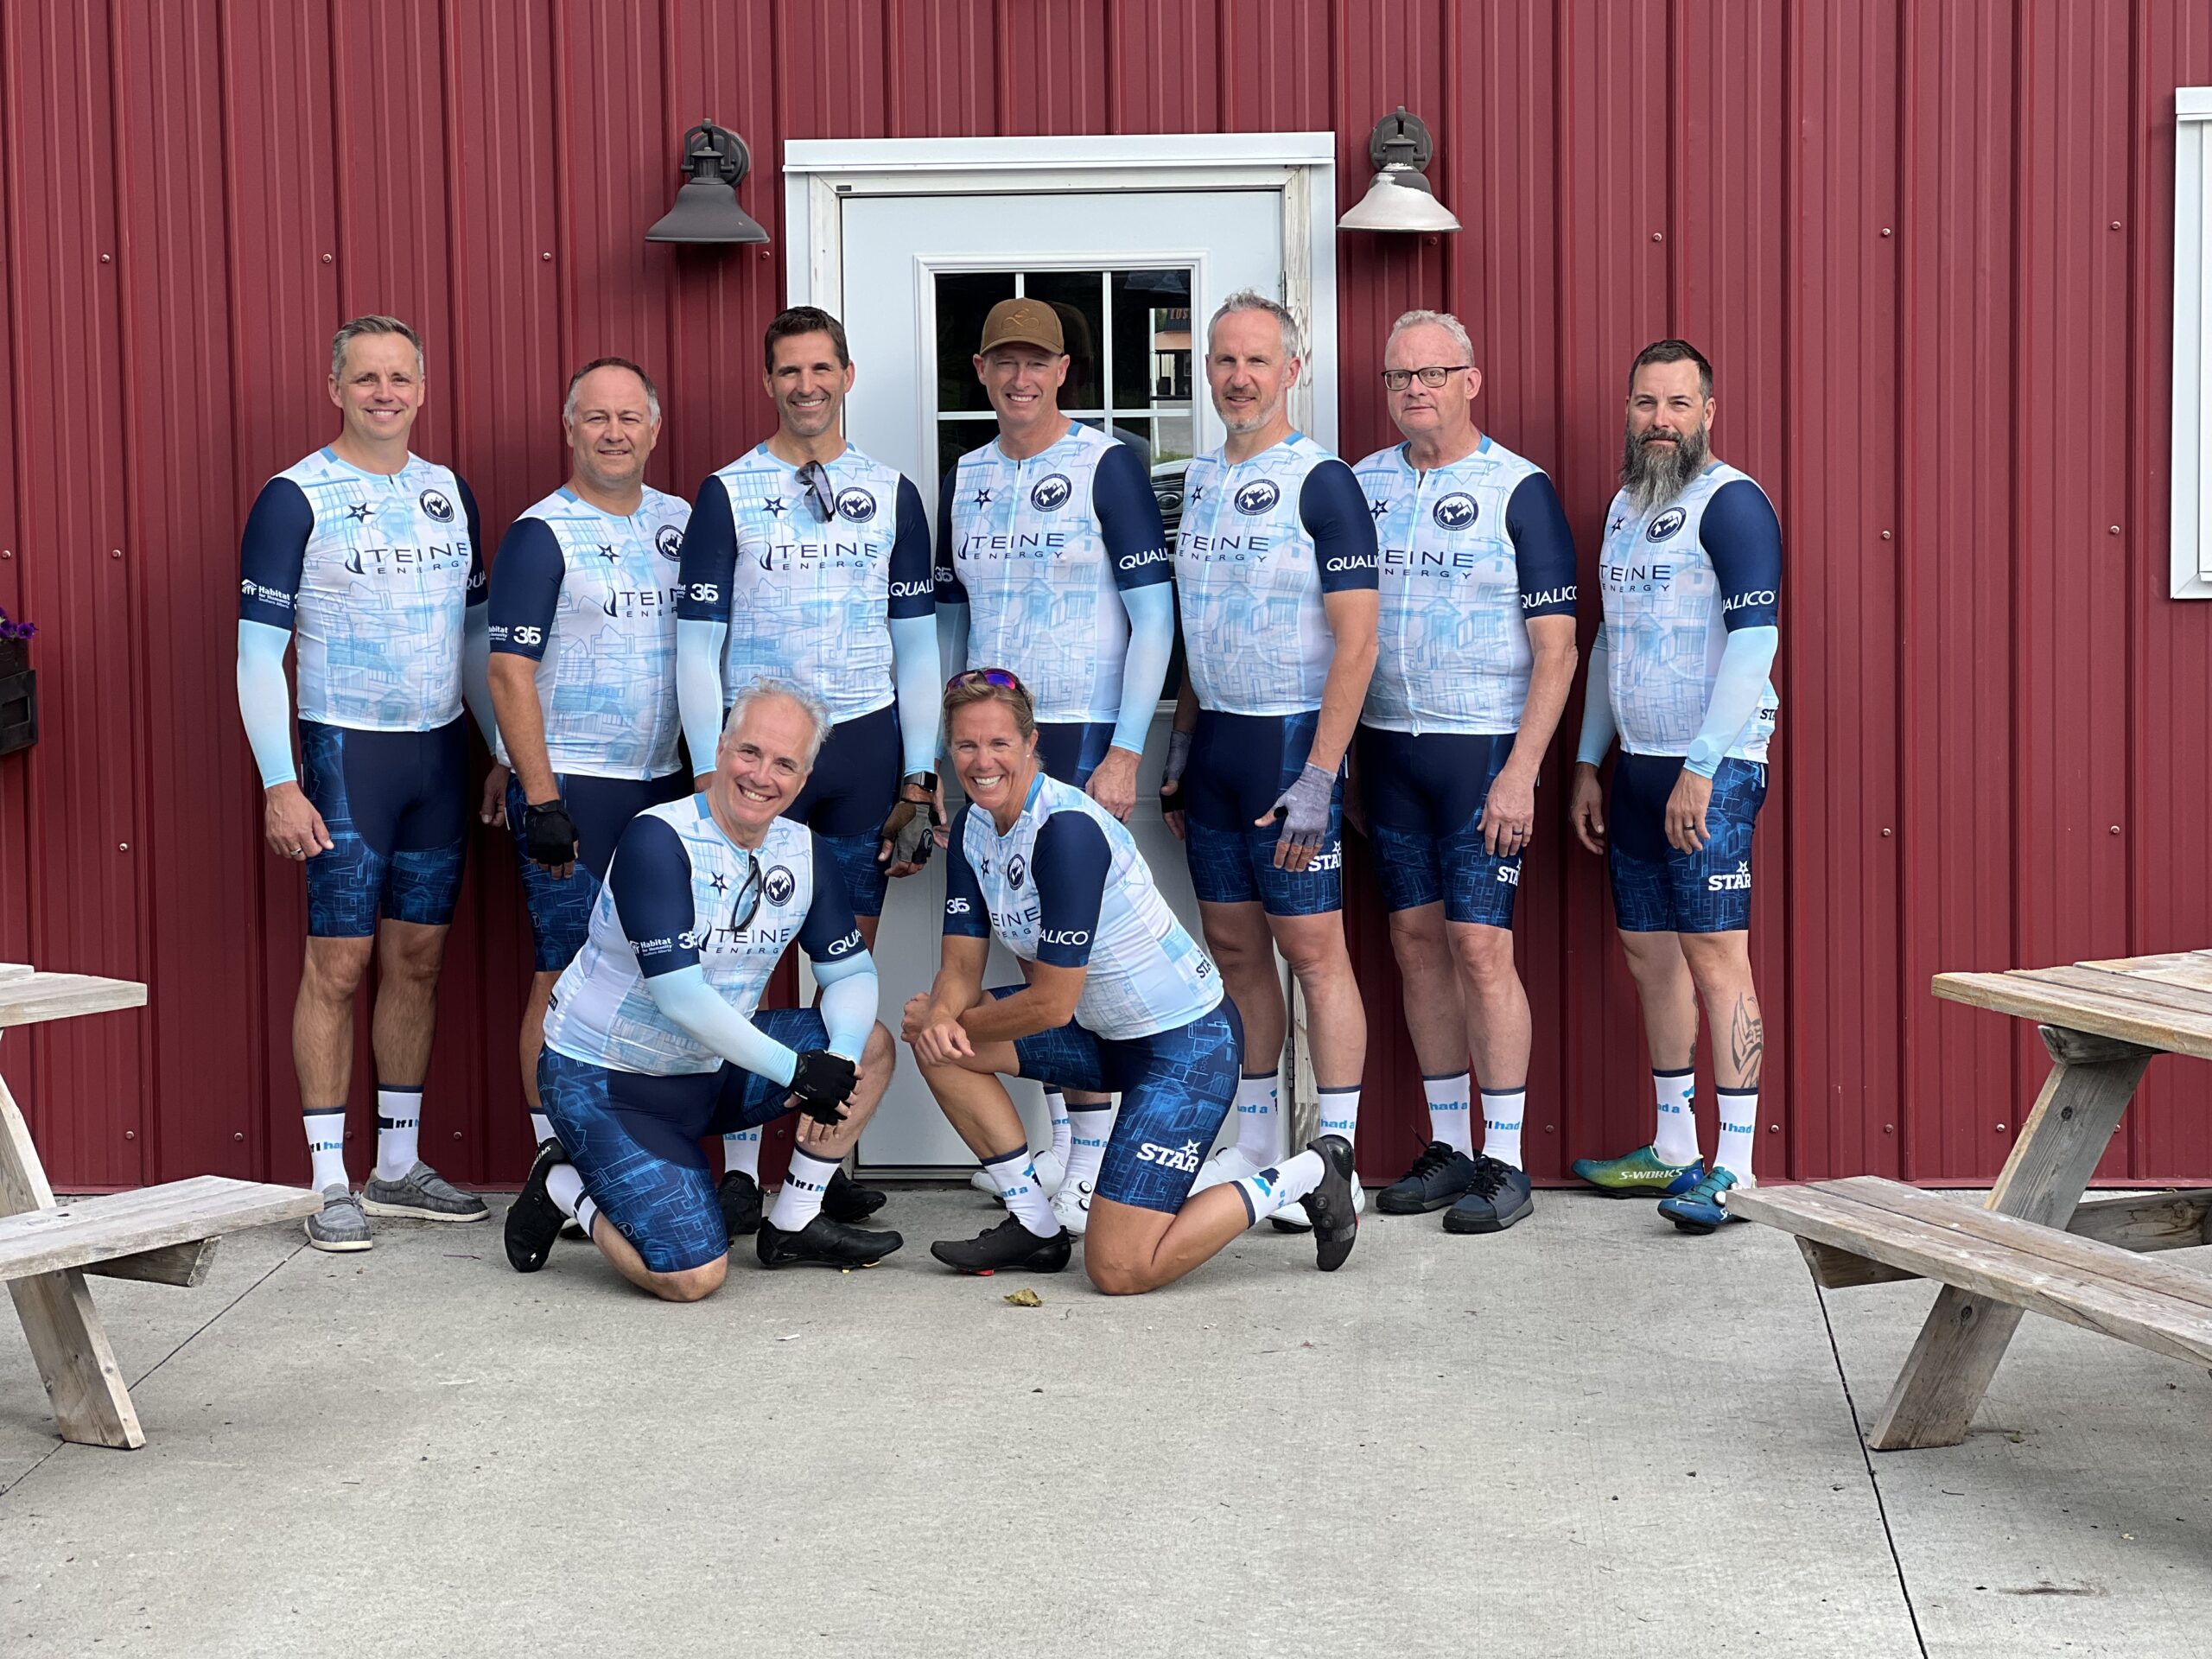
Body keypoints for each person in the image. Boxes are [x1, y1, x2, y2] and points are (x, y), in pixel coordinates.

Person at [906, 670, 1358, 1291]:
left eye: (999, 743)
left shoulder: (1065, 830)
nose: (983, 762)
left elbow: (1052, 1003)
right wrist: (940, 1019)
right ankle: (1035, 1225)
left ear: (1031, 743)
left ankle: (1309, 1172)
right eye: (966, 745)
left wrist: (951, 1026)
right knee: (934, 1036)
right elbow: (960, 967)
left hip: (1186, 1046)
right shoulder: (974, 828)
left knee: (1119, 1269)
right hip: (1102, 1033)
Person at [504, 679, 902, 1298]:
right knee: (692, 1276)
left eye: (784, 763)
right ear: (719, 749)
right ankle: (563, 1186)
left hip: (708, 1070)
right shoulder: (657, 838)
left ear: (804, 777)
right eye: (749, 752)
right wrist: (801, 1072)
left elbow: (850, 973)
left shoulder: (804, 851)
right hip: (609, 1081)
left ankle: (794, 1222)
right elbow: (679, 997)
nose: (761, 776)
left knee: (871, 1046)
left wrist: (840, 1061)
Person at [236, 315, 499, 1252]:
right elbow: (257, 657)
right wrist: (280, 782)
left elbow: (476, 638)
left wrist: (501, 751)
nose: (384, 393)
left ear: (422, 390)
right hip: (345, 756)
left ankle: (397, 1166)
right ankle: (326, 1182)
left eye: (400, 378)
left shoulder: (448, 492)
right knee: (338, 965)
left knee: (417, 959)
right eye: (366, 378)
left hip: (439, 756)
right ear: (335, 388)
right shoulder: (294, 496)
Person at [675, 307, 931, 1230]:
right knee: (741, 960)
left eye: (822, 368)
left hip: (862, 747)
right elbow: (695, 646)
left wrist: (920, 774)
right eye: (789, 371)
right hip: (761, 758)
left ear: (847, 376)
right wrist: (708, 771)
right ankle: (744, 1170)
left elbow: (917, 643)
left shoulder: (892, 492)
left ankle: (819, 1167)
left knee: (841, 967)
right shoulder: (727, 492)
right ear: (768, 382)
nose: (806, 386)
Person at [936, 296, 1176, 1230]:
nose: (1019, 378)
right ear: (982, 371)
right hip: (991, 739)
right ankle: (1067, 1150)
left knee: (1073, 949)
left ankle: (1093, 1158)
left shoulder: (1106, 464)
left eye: (1036, 362)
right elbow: (953, 620)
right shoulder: (966, 474)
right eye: (1003, 362)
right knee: (1023, 937)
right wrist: (944, 750)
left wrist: (1126, 749)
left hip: (1078, 727)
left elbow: (1153, 617)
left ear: (1063, 371)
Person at [1351, 311, 1578, 1235]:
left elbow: (1559, 649)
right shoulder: (1360, 484)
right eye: (1399, 377)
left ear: (1470, 381)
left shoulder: (1518, 488)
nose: (1415, 390)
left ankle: (1505, 1158)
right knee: (1414, 942)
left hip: (1482, 749)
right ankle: (1448, 1146)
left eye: (1433, 374)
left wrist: (1522, 771)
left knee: (1480, 948)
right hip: (1387, 749)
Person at [1163, 291, 1379, 1229]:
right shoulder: (1199, 479)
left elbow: (1359, 644)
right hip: (1218, 748)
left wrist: (1321, 775)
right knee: (1235, 950)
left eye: (1256, 361)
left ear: (1293, 370)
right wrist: (1181, 745)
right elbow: (1200, 627)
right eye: (1224, 361)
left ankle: (1337, 1158)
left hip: (1293, 746)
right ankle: (1256, 1148)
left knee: (1315, 955)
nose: (1239, 378)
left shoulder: (1322, 480)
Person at [1567, 339, 1781, 1234]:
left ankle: (1736, 1166)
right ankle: (1670, 1144)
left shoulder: (1733, 504)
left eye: (1678, 404)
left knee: (1714, 956)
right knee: (1648, 954)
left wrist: (1700, 767)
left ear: (1708, 413)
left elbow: (1756, 643)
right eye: (1646, 403)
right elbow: (1609, 641)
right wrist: (1589, 761)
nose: (1661, 420)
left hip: (1712, 770)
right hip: (1637, 767)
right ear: (1629, 411)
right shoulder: (1625, 507)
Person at [486, 358, 690, 1152]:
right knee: (565, 970)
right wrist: (539, 796)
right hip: (574, 782)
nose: (614, 433)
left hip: (664, 779)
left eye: (629, 417)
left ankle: (635, 1138)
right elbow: (508, 671)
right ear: (569, 428)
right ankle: (553, 1154)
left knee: (661, 968)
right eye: (597, 418)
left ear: (654, 429)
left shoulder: (681, 521)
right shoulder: (541, 533)